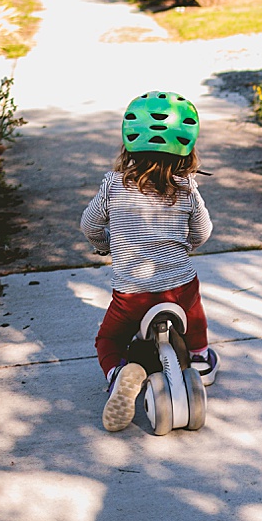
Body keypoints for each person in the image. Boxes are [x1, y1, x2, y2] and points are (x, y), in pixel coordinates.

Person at [81, 91, 219, 431]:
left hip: (132, 293)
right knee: (195, 314)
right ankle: (199, 357)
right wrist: (187, 246)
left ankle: (118, 374)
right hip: (179, 289)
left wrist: (104, 245)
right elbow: (202, 230)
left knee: (109, 341)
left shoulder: (113, 186)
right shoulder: (186, 187)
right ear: (187, 151)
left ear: (128, 146)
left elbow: (89, 225)